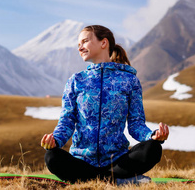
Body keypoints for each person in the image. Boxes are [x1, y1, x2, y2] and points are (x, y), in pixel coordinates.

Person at [41, 25, 169, 185]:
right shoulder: (75, 81)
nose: (80, 47)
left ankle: (97, 180)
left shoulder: (130, 81)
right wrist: (56, 140)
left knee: (153, 149)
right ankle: (118, 181)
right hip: (81, 162)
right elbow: (66, 121)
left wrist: (152, 136)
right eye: (78, 44)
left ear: (103, 43)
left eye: (85, 41)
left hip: (118, 162)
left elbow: (136, 124)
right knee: (52, 157)